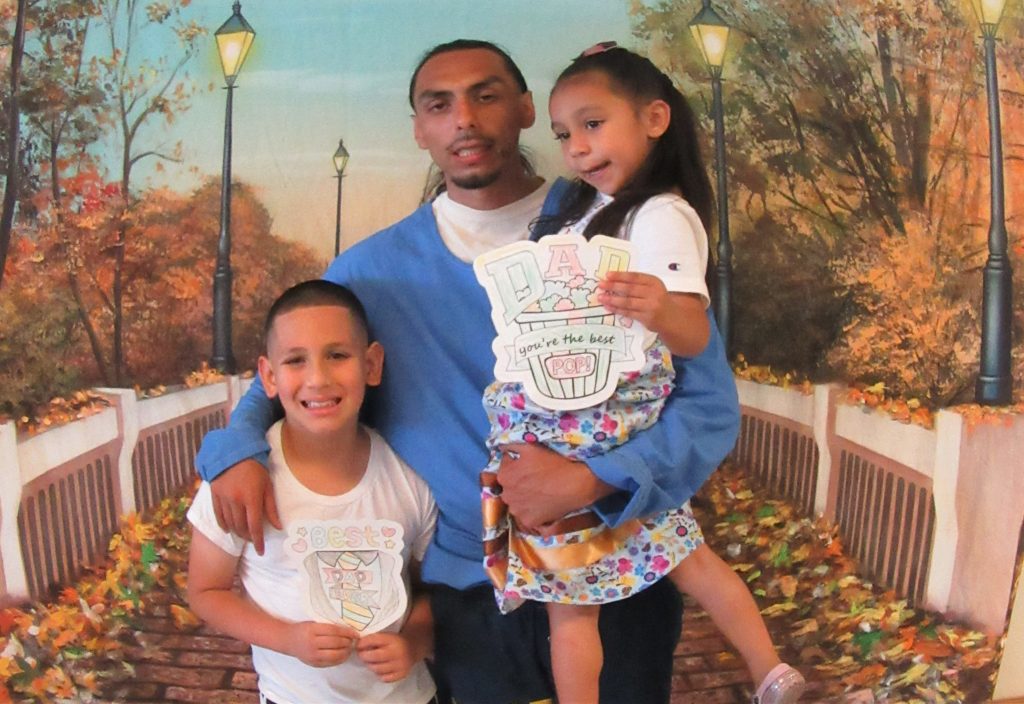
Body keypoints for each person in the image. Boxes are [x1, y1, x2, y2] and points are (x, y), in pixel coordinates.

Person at [195, 39, 740, 704]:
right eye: (439, 104)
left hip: (615, 567)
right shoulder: (370, 273)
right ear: (420, 130)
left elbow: (708, 403)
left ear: (526, 110)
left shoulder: (631, 229)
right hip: (466, 593)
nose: (465, 119)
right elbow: (271, 388)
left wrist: (593, 478)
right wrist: (232, 454)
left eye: (485, 95)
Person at [478, 44, 806, 704]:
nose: (575, 147)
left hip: (602, 424)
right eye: (564, 133)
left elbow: (692, 333)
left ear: (654, 118)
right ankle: (765, 669)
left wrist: (660, 308)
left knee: (646, 579)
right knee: (636, 579)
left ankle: (769, 669)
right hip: (574, 414)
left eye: (593, 125)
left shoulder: (661, 214)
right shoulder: (580, 210)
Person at [187, 280, 438, 704]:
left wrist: (413, 642)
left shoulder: (408, 478)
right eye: (296, 361)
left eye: (337, 356)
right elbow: (205, 592)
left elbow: (429, 591)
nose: (317, 379)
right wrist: (288, 639)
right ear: (269, 376)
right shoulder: (239, 483)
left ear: (371, 365)